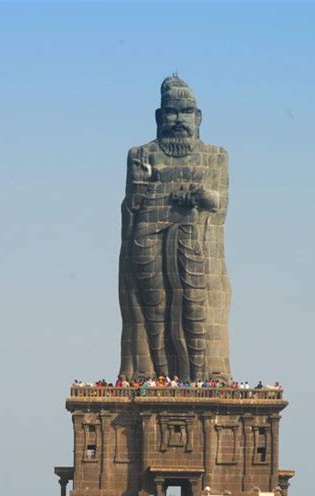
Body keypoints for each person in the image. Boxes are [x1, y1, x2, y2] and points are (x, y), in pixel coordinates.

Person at [118, 76, 232, 384]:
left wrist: (202, 196)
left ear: (198, 117)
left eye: (186, 112)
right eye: (172, 112)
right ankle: (158, 376)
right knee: (154, 309)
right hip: (148, 238)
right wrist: (141, 187)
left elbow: (220, 202)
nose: (179, 120)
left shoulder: (215, 156)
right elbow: (132, 204)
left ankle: (201, 376)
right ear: (159, 117)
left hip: (194, 240)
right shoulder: (140, 155)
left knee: (196, 306)